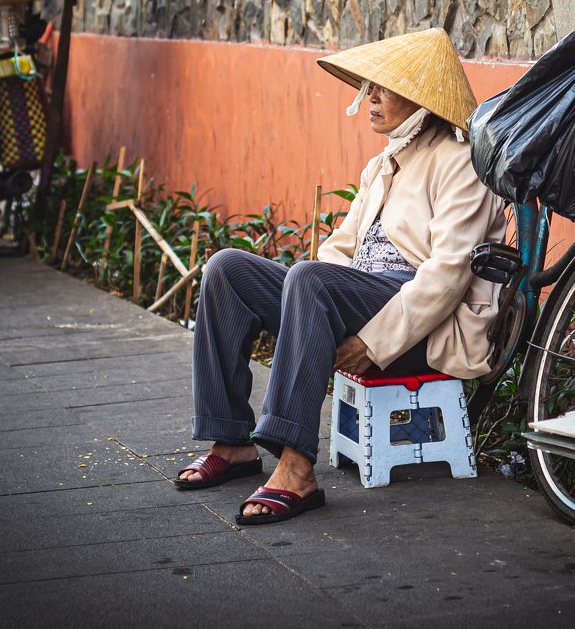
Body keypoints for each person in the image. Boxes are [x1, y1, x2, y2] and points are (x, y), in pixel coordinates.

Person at [175, 27, 507, 525]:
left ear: (421, 98)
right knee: (228, 270)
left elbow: (447, 276)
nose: (368, 97)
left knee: (310, 280)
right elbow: (339, 249)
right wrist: (319, 312)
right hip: (354, 304)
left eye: (382, 88)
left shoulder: (461, 163)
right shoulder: (384, 164)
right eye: (368, 87)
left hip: (419, 327)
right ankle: (233, 441)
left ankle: (296, 468)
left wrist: (371, 343)